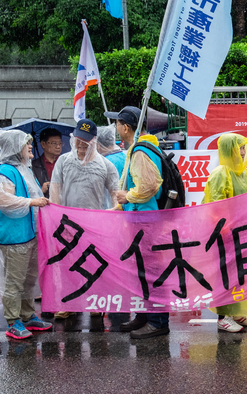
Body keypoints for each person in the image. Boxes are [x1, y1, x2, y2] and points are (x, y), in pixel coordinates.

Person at [0, 129, 52, 339]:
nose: (30, 146)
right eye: (25, 143)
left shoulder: (23, 169)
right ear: (14, 148)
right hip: (14, 236)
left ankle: (28, 315)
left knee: (29, 279)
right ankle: (13, 320)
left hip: (29, 233)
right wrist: (33, 202)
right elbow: (5, 201)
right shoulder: (6, 172)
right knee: (15, 280)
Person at [106, 106, 171, 339]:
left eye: (117, 124)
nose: (115, 128)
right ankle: (145, 315)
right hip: (141, 220)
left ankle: (157, 322)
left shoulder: (141, 151)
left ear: (125, 127)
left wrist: (127, 197)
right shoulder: (141, 148)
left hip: (146, 222)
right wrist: (120, 206)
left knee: (151, 273)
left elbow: (149, 187)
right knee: (142, 273)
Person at [50, 119, 120, 319]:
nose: (81, 145)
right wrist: (56, 217)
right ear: (73, 138)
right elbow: (55, 191)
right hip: (68, 223)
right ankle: (69, 303)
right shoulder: (63, 161)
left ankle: (97, 302)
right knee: (68, 263)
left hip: (95, 224)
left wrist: (113, 215)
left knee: (94, 263)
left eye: (86, 141)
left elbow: (115, 194)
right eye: (78, 140)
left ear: (94, 141)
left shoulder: (105, 165)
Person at [202, 133, 247, 333]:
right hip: (226, 235)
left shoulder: (245, 173)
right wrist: (226, 230)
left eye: (244, 148)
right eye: (238, 148)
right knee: (225, 275)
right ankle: (223, 317)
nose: (242, 152)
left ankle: (237, 312)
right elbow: (216, 205)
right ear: (228, 151)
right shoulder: (221, 173)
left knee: (241, 274)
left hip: (244, 234)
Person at [96, 124, 126, 209]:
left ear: (98, 145)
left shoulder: (104, 163)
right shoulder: (124, 156)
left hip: (111, 209)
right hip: (127, 206)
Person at [31, 128, 63, 198]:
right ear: (43, 144)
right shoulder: (33, 166)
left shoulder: (65, 163)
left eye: (60, 143)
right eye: (54, 143)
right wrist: (41, 190)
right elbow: (29, 190)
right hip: (43, 204)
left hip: (62, 203)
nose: (58, 146)